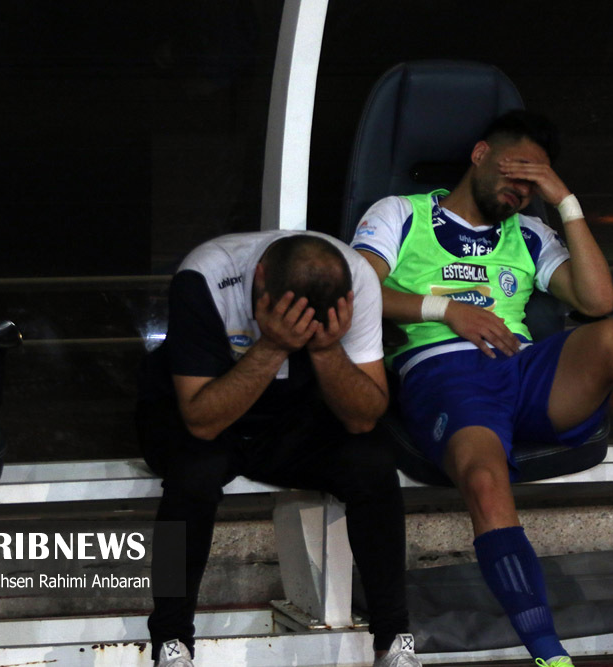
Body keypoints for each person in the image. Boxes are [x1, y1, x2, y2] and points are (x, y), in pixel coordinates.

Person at [350, 110, 613, 667]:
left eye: (535, 182)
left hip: (523, 370)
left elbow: (597, 300)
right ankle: (549, 655)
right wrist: (445, 311)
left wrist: (566, 201)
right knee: (485, 480)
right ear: (480, 154)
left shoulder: (528, 232)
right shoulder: (401, 214)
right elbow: (355, 290)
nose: (522, 189)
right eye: (516, 171)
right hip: (444, 374)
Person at [136, 231, 421, 667]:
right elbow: (201, 419)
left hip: (290, 420)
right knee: (191, 478)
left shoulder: (358, 280)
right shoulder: (206, 275)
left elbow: (364, 416)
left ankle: (393, 641)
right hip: (199, 415)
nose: (301, 326)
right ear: (261, 278)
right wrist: (273, 345)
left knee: (373, 461)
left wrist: (326, 348)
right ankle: (170, 643)